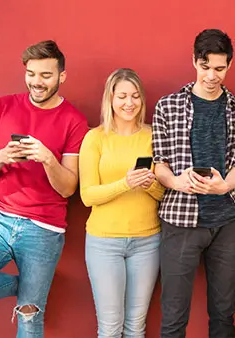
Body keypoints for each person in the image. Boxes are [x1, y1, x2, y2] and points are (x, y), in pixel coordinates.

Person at [152, 29, 235, 338]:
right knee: (173, 315)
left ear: (229, 66)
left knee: (223, 315)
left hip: (225, 222)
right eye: (205, 66)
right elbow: (159, 163)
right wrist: (177, 182)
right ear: (194, 61)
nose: (211, 75)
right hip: (180, 221)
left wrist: (225, 186)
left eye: (219, 68)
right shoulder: (166, 106)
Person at [0, 40, 89, 337]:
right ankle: (29, 286)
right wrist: (0, 157)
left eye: (46, 75)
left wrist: (48, 158)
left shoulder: (74, 120)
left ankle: (33, 294)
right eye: (31, 73)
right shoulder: (2, 106)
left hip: (44, 229)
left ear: (62, 76)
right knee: (30, 297)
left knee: (29, 315)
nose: (37, 82)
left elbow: (68, 188)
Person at [79, 68, 165, 337]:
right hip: (104, 244)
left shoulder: (154, 136)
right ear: (111, 99)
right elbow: (88, 195)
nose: (129, 103)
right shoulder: (95, 138)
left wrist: (149, 184)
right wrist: (125, 183)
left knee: (136, 327)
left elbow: (165, 194)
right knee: (110, 328)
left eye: (135, 96)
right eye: (123, 96)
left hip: (147, 242)